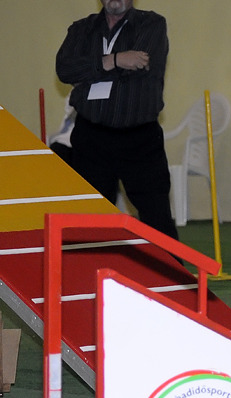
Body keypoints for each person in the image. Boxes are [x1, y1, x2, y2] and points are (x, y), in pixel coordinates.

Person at [55, 0, 178, 241]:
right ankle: (92, 266)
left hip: (140, 139)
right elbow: (65, 69)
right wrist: (115, 60)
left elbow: (140, 69)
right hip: (91, 138)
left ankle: (170, 267)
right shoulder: (81, 29)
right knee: (89, 221)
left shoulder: (151, 24)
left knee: (157, 218)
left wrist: (89, 71)